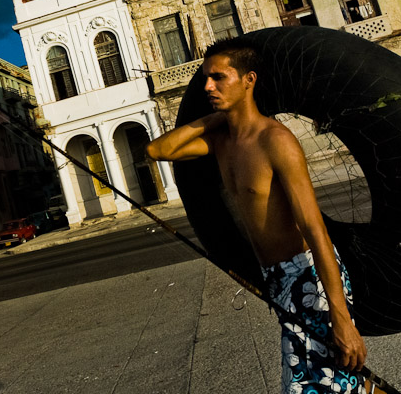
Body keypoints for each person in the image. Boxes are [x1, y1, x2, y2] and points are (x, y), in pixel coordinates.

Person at [146, 39, 382, 394]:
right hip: (277, 280)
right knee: (341, 382)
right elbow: (157, 150)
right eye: (206, 80)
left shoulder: (276, 141)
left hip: (309, 278)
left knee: (314, 387)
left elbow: (315, 229)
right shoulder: (222, 142)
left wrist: (341, 318)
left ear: (249, 80)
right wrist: (215, 117)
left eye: (219, 78)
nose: (208, 87)